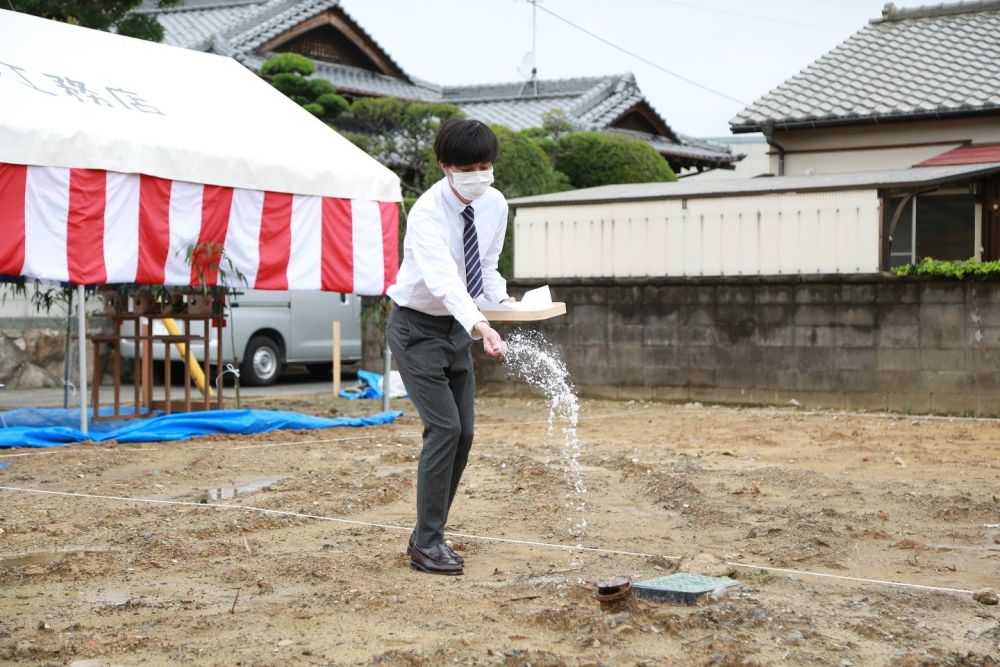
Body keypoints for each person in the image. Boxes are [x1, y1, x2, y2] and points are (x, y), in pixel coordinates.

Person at [386, 118, 512, 575]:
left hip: (458, 328)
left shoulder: (495, 203)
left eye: (486, 165)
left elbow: (487, 266)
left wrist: (502, 302)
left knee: (466, 433)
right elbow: (442, 279)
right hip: (416, 328)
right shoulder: (425, 212)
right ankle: (429, 543)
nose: (480, 174)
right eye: (469, 167)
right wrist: (481, 325)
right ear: (445, 167)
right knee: (443, 429)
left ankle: (427, 535)